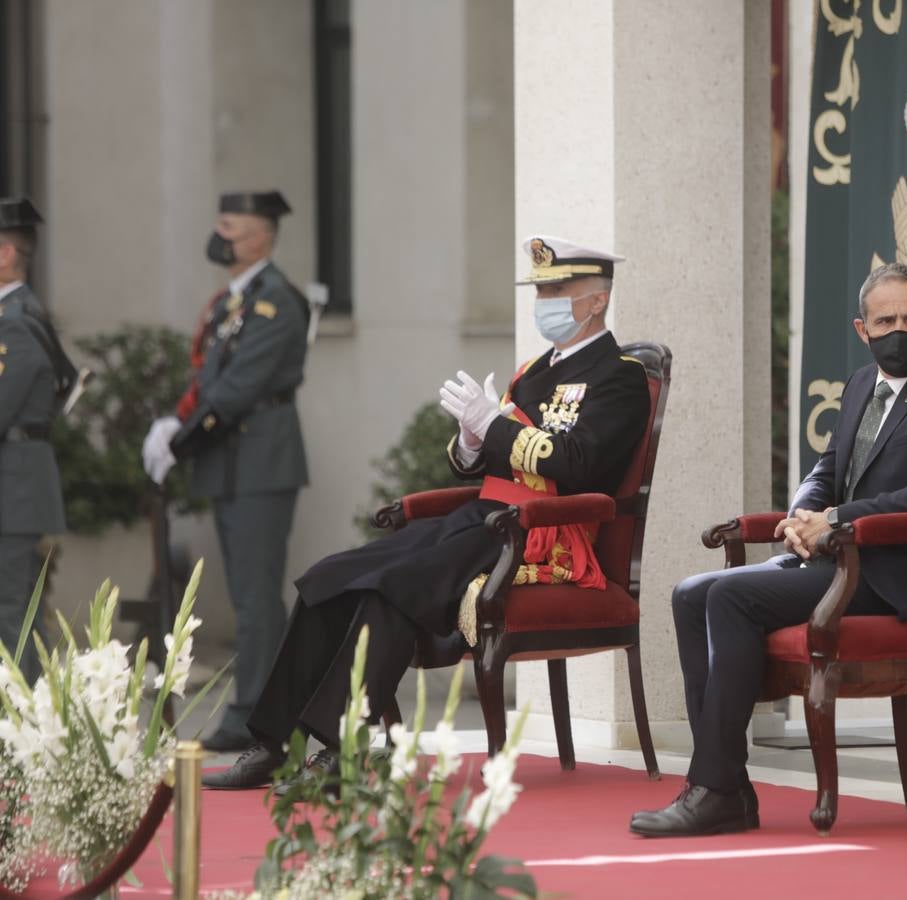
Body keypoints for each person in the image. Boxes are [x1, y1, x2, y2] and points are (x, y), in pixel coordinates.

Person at [202, 235, 650, 791]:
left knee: (392, 587)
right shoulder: (535, 371)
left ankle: (347, 749)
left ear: (597, 300)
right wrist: (469, 439)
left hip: (541, 533)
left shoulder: (620, 375)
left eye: (557, 289)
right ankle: (273, 743)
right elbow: (483, 460)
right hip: (487, 514)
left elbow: (578, 464)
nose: (546, 301)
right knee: (331, 577)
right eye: (542, 290)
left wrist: (496, 426)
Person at [630, 262, 907, 837]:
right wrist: (805, 512)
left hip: (901, 572)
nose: (901, 330)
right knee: (690, 593)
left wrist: (837, 520)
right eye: (886, 320)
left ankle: (715, 789)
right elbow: (827, 469)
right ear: (862, 329)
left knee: (731, 598)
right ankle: (726, 786)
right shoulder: (857, 388)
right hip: (841, 559)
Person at [141, 191, 310, 752]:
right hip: (231, 461)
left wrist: (183, 441)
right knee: (248, 593)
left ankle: (253, 713)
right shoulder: (228, 303)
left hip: (261, 458)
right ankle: (275, 703)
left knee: (257, 594)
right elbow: (208, 380)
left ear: (260, 236)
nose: (220, 237)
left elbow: (241, 388)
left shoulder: (276, 301)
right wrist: (174, 421)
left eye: (230, 227)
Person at [0, 198, 76, 684]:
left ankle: (20, 731)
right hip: (15, 484)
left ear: (5, 254)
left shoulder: (14, 321)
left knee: (12, 614)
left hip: (14, 489)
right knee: (16, 611)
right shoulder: (21, 314)